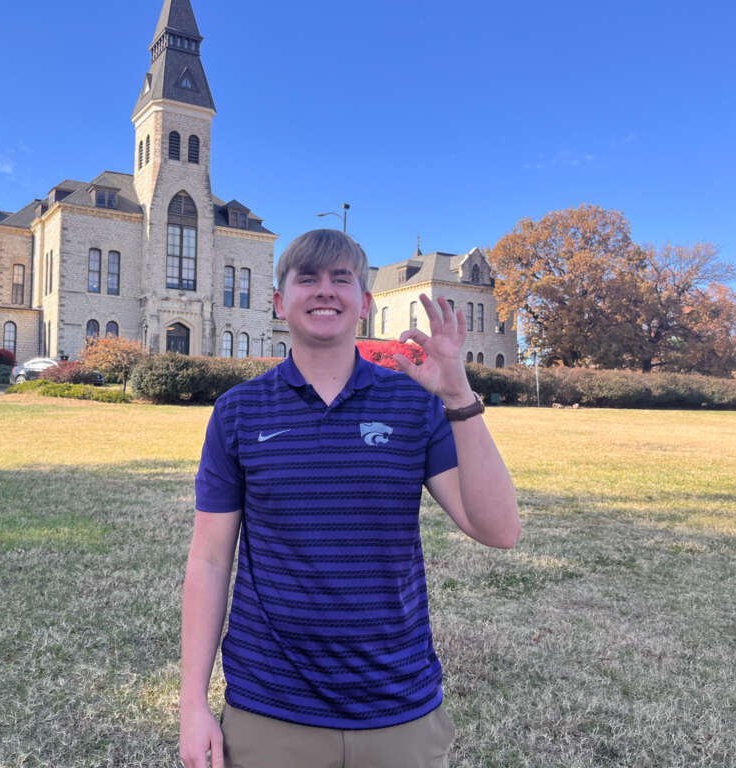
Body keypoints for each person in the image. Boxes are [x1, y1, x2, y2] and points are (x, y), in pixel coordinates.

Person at [180, 229, 520, 768]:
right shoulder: (238, 412)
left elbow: (499, 530)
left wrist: (458, 395)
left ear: (364, 304)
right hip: (269, 709)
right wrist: (191, 702)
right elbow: (209, 559)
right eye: (307, 278)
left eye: (342, 279)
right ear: (278, 301)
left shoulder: (415, 403)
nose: (325, 291)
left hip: (398, 706)